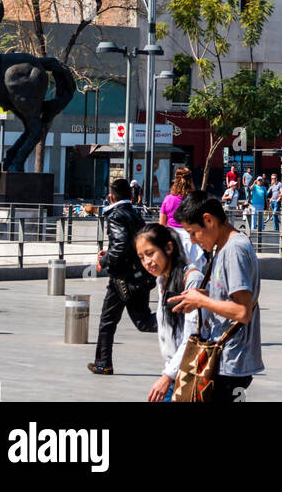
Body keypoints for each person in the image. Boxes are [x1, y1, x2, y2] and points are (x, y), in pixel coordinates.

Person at [171, 191, 263, 403]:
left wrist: (202, 301)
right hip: (224, 360)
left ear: (208, 220)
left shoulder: (234, 250)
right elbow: (227, 295)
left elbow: (242, 311)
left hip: (230, 363)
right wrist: (199, 295)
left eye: (193, 233)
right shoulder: (224, 247)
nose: (193, 241)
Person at [87, 177, 157, 375]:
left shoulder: (116, 215)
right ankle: (102, 362)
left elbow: (121, 244)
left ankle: (177, 323)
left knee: (113, 320)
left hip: (122, 278)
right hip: (137, 275)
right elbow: (130, 244)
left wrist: (104, 261)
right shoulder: (135, 215)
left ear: (111, 196)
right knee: (139, 320)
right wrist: (108, 254)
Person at [136, 223, 203, 403]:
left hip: (187, 376)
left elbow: (192, 337)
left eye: (150, 254)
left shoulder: (192, 279)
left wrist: (167, 377)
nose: (147, 262)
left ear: (168, 248)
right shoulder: (162, 280)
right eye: (142, 257)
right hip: (174, 372)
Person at [159, 165, 196, 232]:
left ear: (175, 181)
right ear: (190, 181)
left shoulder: (168, 199)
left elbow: (162, 225)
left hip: (173, 236)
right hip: (190, 236)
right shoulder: (194, 199)